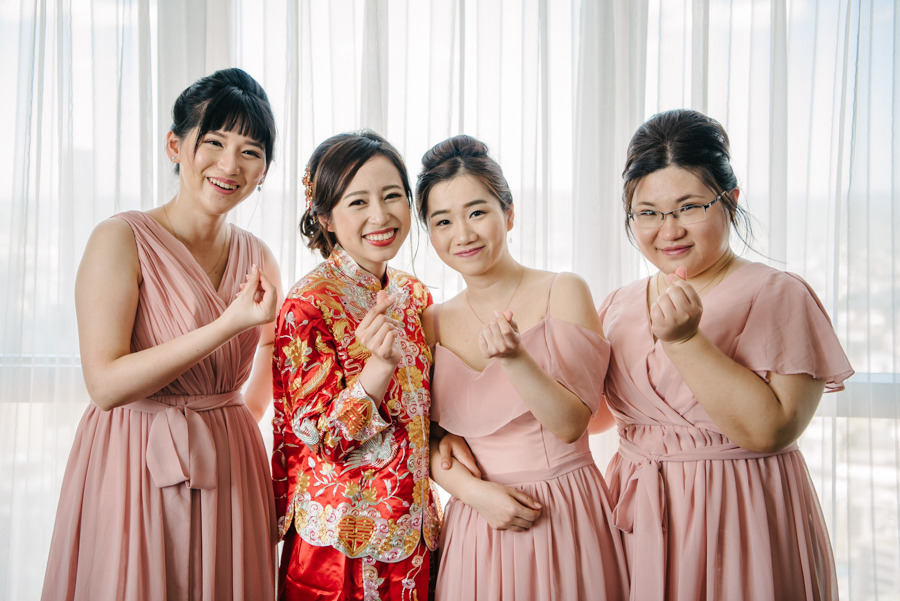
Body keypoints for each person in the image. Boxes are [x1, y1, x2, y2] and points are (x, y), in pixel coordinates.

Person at [41, 68, 282, 601]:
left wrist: (232, 420)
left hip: (229, 460)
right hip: (133, 456)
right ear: (176, 145)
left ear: (263, 169)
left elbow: (270, 349)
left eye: (250, 151)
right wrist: (226, 325)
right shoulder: (119, 238)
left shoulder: (259, 255)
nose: (230, 165)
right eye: (214, 142)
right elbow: (105, 384)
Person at [598, 108, 854, 600]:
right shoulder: (617, 304)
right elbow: (589, 420)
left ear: (730, 201)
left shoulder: (778, 294)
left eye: (689, 207)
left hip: (738, 516)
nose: (668, 230)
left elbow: (771, 430)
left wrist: (686, 341)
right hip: (638, 521)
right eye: (648, 213)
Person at [417, 135, 629, 600]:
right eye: (443, 221)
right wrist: (475, 495)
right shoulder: (430, 321)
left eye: (477, 212)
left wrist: (515, 360)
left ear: (508, 214)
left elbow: (572, 424)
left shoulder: (563, 291)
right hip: (477, 522)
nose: (462, 234)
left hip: (562, 510)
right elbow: (420, 439)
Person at [271, 131, 441, 600]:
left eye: (392, 196)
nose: (380, 216)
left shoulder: (414, 294)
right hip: (341, 545)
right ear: (325, 216)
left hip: (415, 532)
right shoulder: (308, 305)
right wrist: (378, 370)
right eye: (358, 202)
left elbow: (425, 413)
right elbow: (322, 439)